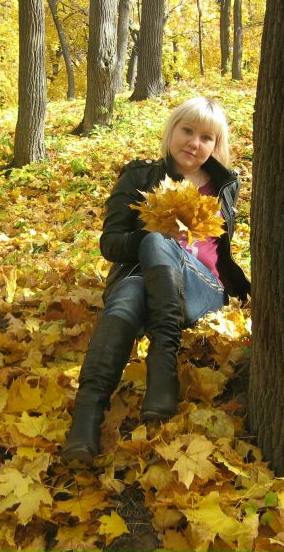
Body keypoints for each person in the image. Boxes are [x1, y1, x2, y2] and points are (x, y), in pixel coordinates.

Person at [61, 97, 251, 466]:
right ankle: (86, 418)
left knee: (154, 250)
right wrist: (152, 235)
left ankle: (160, 356)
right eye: (187, 130)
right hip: (145, 282)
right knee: (135, 282)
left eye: (207, 138)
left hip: (202, 292)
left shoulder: (225, 185)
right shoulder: (139, 177)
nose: (194, 143)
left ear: (217, 145)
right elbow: (110, 244)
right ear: (172, 130)